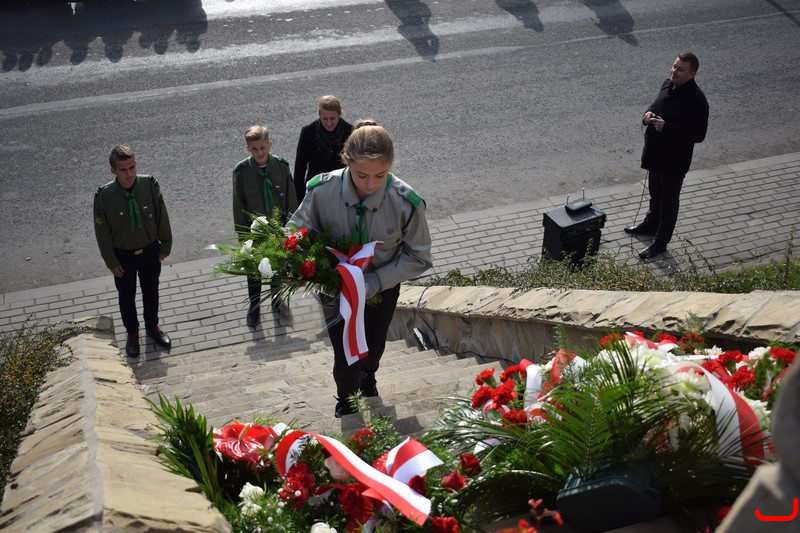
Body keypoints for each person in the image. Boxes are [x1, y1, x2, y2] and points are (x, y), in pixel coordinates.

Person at [289, 119, 433, 418]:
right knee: (345, 356)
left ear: (391, 165)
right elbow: (296, 231)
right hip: (334, 287)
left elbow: (418, 256)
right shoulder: (322, 190)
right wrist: (299, 264)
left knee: (374, 346)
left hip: (381, 289)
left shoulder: (405, 202)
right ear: (347, 160)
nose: (369, 185)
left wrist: (375, 281)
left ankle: (369, 377)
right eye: (361, 175)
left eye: (380, 175)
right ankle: (346, 398)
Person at [625, 52, 709, 259]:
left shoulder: (697, 100)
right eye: (674, 66)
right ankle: (650, 225)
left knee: (668, 202)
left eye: (680, 69)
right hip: (656, 154)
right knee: (655, 194)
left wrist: (667, 128)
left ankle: (661, 242)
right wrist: (647, 114)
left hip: (674, 161)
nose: (674, 71)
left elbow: (698, 135)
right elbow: (657, 105)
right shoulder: (667, 84)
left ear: (692, 74)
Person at [93, 145, 173, 358]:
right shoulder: (104, 196)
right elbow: (102, 232)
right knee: (126, 297)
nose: (129, 174)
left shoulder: (149, 185)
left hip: (149, 251)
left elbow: (161, 215)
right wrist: (111, 261)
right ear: (113, 171)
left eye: (132, 167)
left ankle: (152, 327)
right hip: (123, 257)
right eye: (123, 170)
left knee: (151, 292)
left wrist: (165, 245)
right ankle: (132, 333)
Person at [232, 124, 298, 326]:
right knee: (254, 270)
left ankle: (277, 301)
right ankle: (254, 307)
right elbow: (238, 206)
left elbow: (291, 200)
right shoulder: (242, 172)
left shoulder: (281, 167)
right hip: (254, 231)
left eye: (262, 147)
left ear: (269, 144)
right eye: (254, 149)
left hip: (278, 228)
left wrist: (292, 230)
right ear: (248, 149)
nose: (259, 152)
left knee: (277, 267)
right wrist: (243, 238)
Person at [293, 95, 354, 203]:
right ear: (319, 114)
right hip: (315, 189)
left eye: (332, 118)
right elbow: (299, 169)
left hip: (341, 190)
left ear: (339, 114)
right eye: (325, 119)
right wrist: (300, 199)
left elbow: (355, 165)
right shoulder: (308, 132)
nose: (329, 123)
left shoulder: (350, 132)